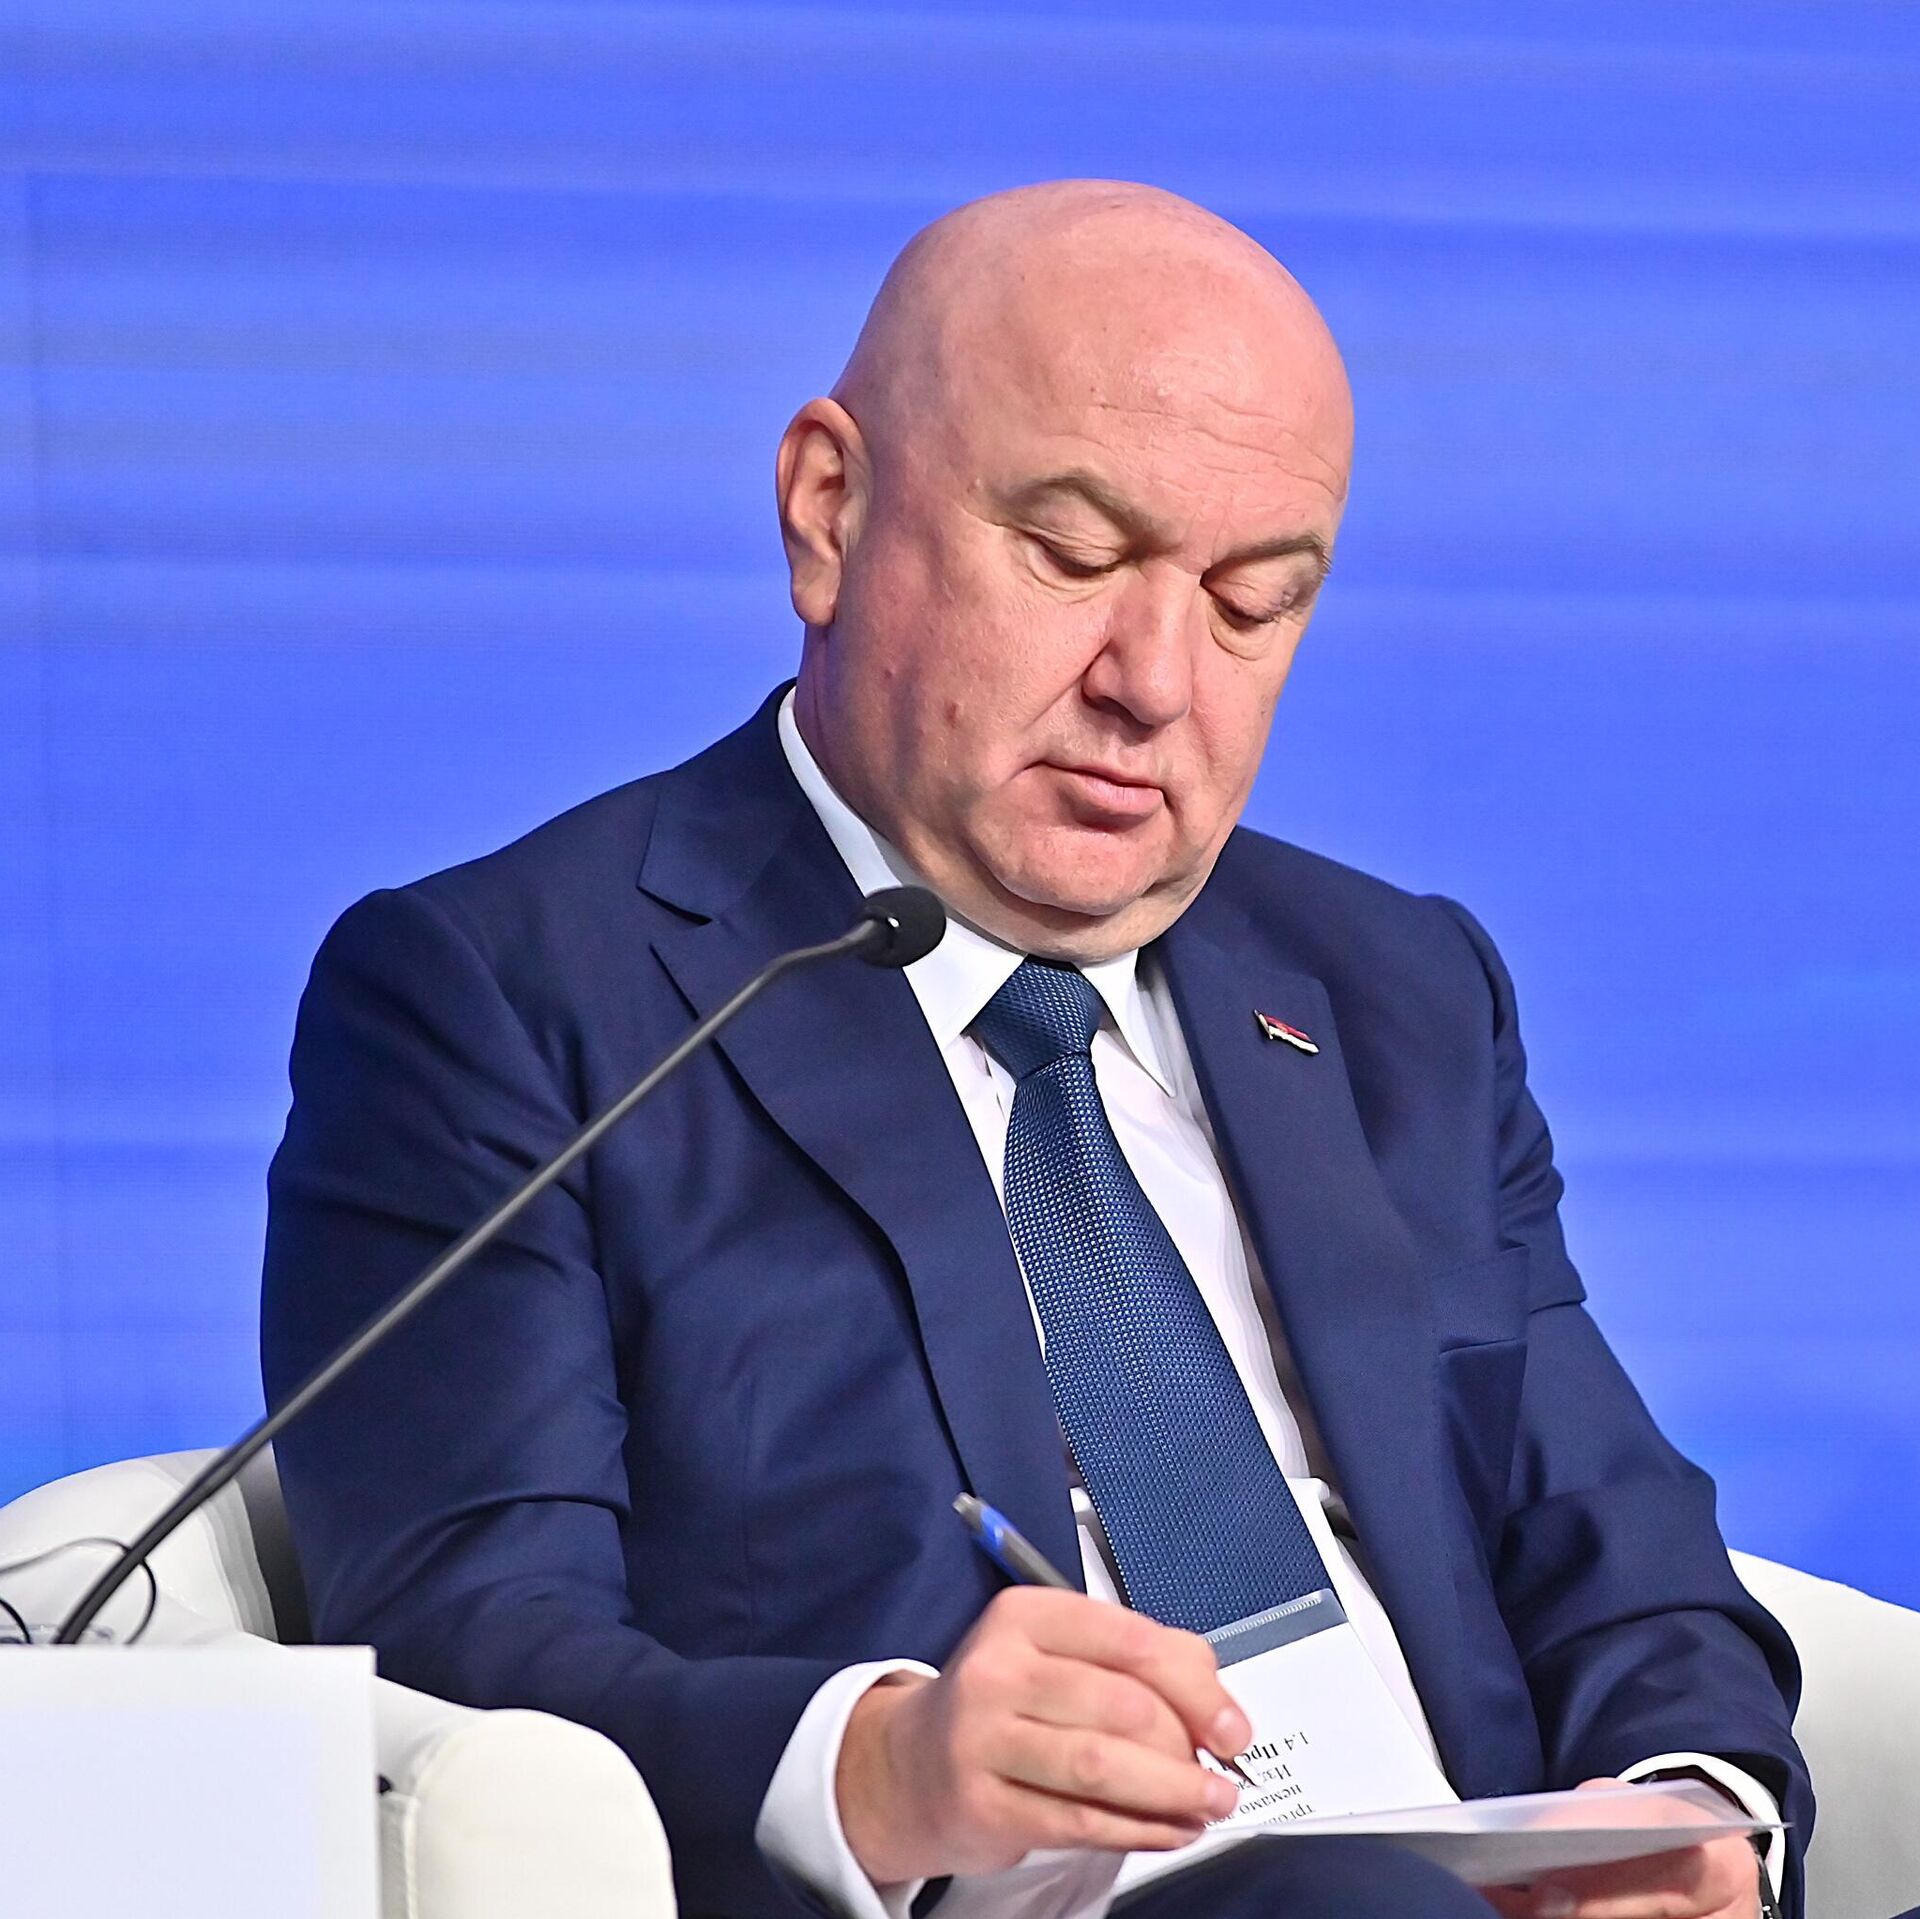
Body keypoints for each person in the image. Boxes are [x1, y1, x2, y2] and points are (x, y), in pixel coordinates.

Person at [261, 181, 1810, 1919]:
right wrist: (878, 1766)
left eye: (1252, 603)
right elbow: (469, 1651)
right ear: (829, 513)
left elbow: (1623, 1555)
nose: (1156, 681)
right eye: (1073, 558)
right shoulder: (506, 995)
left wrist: (1686, 1818)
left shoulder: (1398, 991)